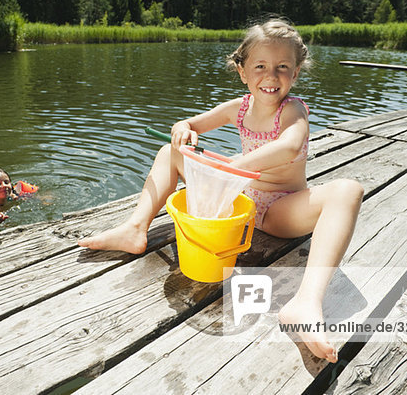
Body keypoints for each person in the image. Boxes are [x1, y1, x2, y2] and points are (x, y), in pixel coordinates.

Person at [78, 19, 364, 363]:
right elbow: (188, 124)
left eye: (282, 68)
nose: (271, 77)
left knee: (348, 190)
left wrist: (233, 167)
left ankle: (306, 302)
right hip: (237, 203)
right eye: (260, 66)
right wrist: (182, 130)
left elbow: (289, 147)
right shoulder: (239, 108)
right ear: (242, 71)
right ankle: (136, 228)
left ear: (297, 72)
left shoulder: (293, 110)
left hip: (280, 210)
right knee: (171, 153)